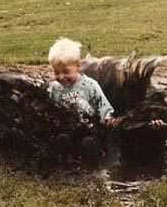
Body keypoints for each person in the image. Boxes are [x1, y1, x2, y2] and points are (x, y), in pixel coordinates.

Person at [47, 38, 119, 167]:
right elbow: (51, 108)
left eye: (66, 72)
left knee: (89, 142)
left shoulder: (89, 85)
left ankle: (91, 168)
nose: (61, 77)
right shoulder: (54, 88)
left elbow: (102, 105)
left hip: (89, 129)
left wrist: (107, 117)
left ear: (78, 66)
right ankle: (66, 166)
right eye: (56, 72)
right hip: (67, 128)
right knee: (61, 139)